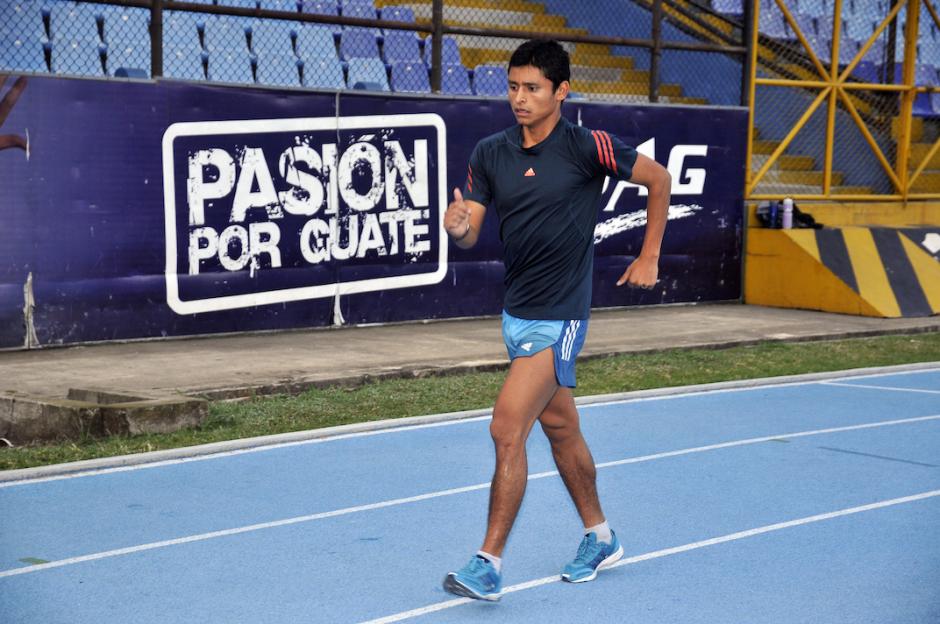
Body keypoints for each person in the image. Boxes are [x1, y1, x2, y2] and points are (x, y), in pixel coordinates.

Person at [440, 39, 671, 602]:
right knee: (561, 429)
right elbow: (470, 228)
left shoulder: (587, 146)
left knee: (506, 426)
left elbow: (659, 179)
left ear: (561, 92)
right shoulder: (491, 152)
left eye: (533, 88)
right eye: (513, 87)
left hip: (560, 315)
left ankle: (487, 562)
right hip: (515, 316)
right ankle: (601, 535)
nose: (519, 98)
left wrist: (649, 256)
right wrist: (457, 226)